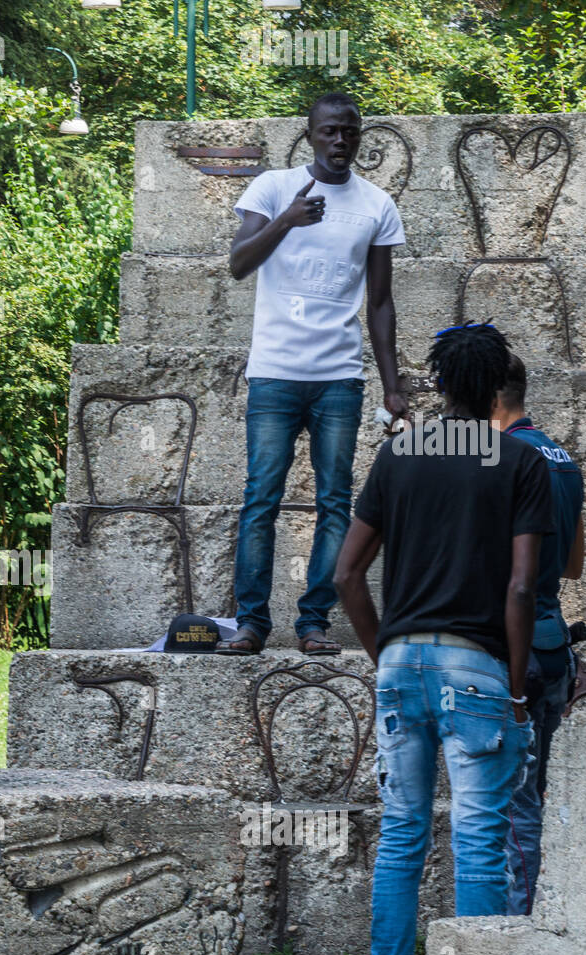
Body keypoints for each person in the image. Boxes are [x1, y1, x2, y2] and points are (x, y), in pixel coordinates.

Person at [333, 323, 552, 955]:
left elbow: (346, 575)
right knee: (479, 835)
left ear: (438, 382)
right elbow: (522, 588)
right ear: (496, 389)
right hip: (479, 668)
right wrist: (517, 688)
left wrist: (384, 652)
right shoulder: (519, 461)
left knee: (401, 833)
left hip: (402, 666)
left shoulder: (399, 453)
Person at [218, 91, 408, 657]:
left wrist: (392, 383)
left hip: (339, 376)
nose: (340, 140)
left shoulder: (376, 204)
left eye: (349, 131)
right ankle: (251, 622)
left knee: (334, 502)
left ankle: (313, 622)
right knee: (261, 499)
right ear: (310, 133)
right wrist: (288, 221)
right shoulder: (275, 189)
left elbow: (380, 303)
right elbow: (237, 264)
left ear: (360, 135)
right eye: (329, 131)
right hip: (275, 371)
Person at [488, 353, 585, 915]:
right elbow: (572, 565)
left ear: (490, 398)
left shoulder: (504, 459)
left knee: (511, 804)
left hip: (513, 647)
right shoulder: (564, 458)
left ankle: (516, 935)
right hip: (555, 646)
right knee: (528, 798)